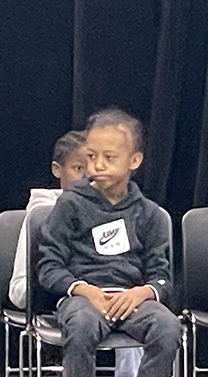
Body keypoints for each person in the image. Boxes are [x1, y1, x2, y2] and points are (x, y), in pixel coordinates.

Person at [37, 108, 181, 377]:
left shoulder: (149, 213)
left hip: (130, 299)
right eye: (91, 157)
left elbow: (162, 275)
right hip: (83, 299)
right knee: (81, 325)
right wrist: (84, 290)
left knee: (167, 327)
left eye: (109, 157)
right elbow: (48, 266)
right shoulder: (70, 204)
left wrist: (143, 292)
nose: (98, 165)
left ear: (134, 160)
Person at [8, 130, 143, 376]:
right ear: (57, 170)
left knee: (144, 316)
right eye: (79, 168)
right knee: (81, 320)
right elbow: (19, 289)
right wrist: (68, 290)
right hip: (60, 305)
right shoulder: (40, 217)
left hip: (111, 305)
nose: (88, 176)